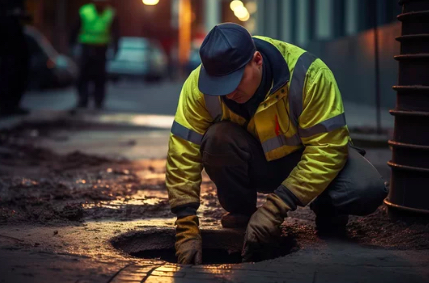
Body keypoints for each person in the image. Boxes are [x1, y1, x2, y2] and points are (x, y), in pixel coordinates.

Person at [165, 23, 388, 264]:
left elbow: (328, 148)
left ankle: (329, 212)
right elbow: (183, 152)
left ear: (257, 60)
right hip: (258, 162)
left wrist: (276, 208)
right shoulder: (199, 86)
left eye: (235, 81)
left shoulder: (309, 75)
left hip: (305, 160)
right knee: (217, 139)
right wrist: (186, 224)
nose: (229, 94)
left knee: (365, 189)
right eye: (221, 86)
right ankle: (241, 216)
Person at [69, 0, 119, 110]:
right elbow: (75, 28)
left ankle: (98, 101)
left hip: (101, 49)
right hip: (87, 48)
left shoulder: (110, 14)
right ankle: (83, 100)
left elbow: (116, 32)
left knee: (100, 76)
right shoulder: (85, 11)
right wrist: (72, 44)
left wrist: (116, 47)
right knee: (83, 75)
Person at [0, 0, 30, 117]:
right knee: (7, 73)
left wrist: (21, 15)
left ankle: (12, 104)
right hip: (7, 41)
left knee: (18, 72)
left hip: (16, 39)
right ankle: (6, 105)